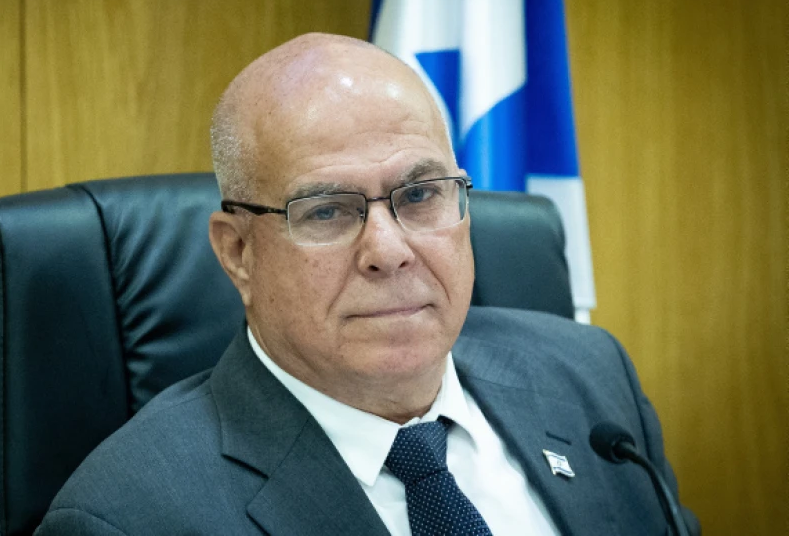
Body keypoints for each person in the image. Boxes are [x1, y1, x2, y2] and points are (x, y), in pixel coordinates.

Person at [35, 33, 698, 536]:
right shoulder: (126, 516)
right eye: (325, 210)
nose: (389, 249)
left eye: (420, 194)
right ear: (237, 253)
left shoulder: (590, 381)